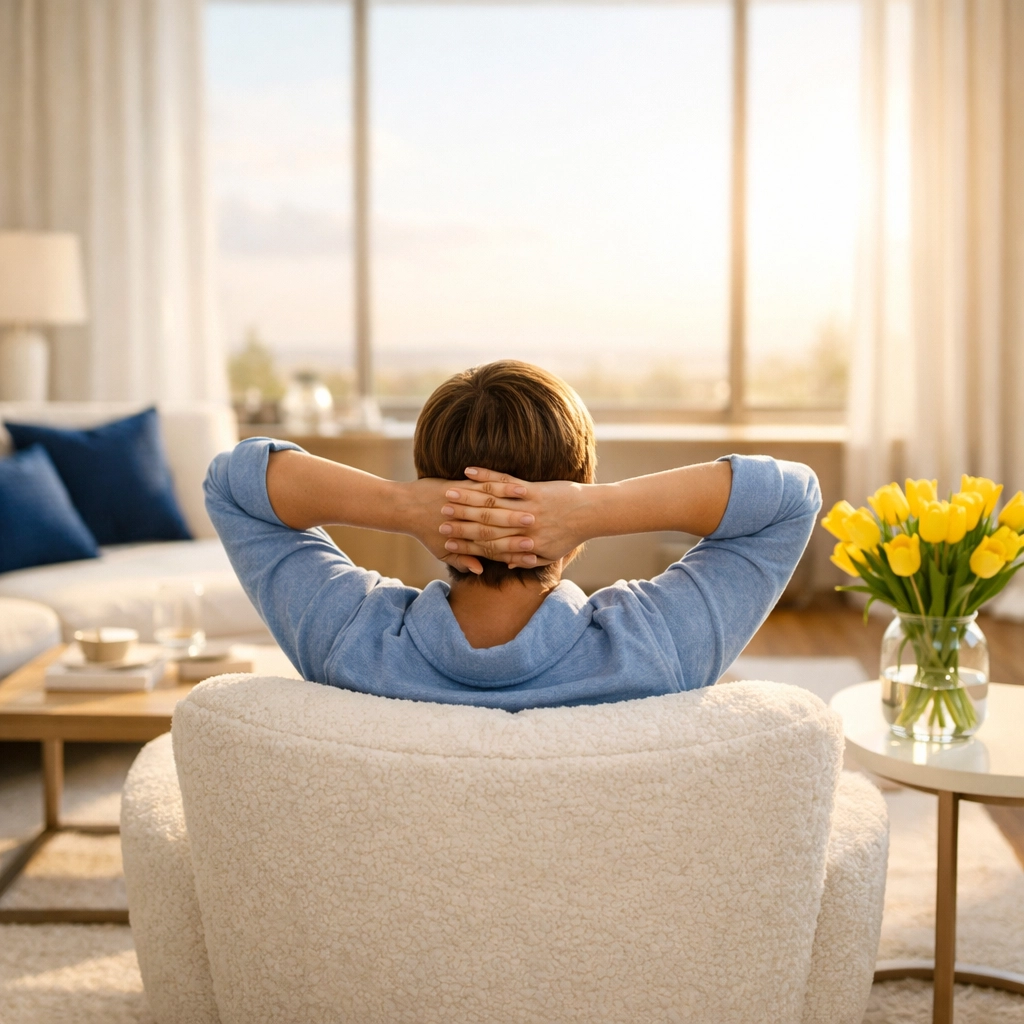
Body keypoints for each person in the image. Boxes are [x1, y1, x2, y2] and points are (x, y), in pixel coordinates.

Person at [204, 360, 821, 709]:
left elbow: (234, 483)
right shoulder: (656, 647)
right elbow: (791, 498)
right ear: (574, 487)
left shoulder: (349, 640)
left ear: (430, 483)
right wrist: (595, 508)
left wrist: (403, 506)